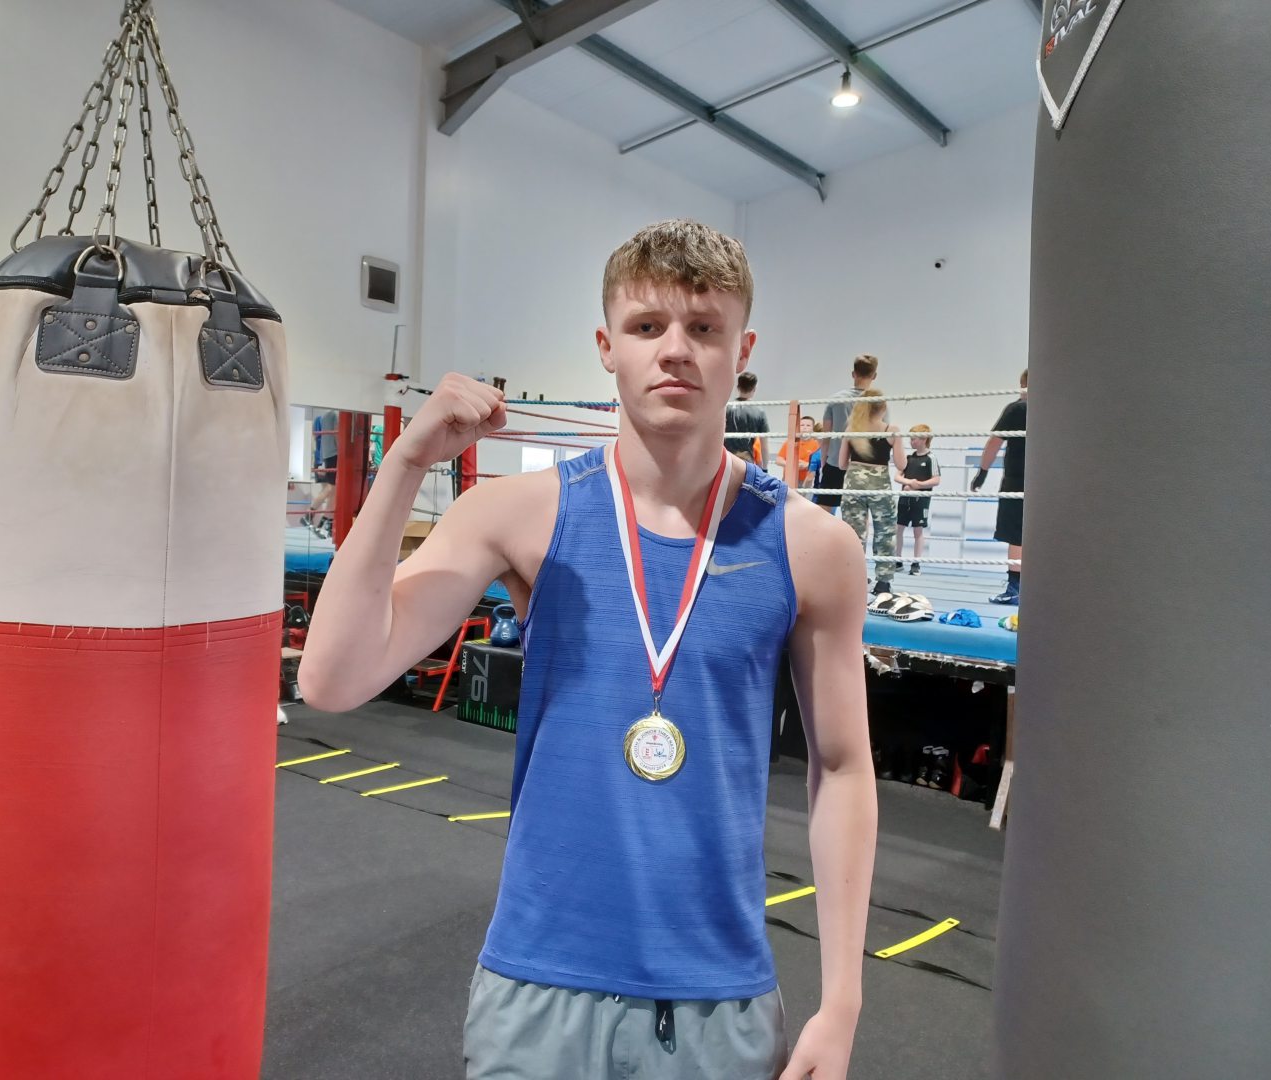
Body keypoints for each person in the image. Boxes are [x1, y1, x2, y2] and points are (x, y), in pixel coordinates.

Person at [299, 219, 876, 1080]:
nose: (675, 350)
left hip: (718, 999)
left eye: (704, 328)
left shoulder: (811, 547)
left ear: (741, 349)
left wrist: (843, 1002)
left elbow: (843, 767)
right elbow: (333, 680)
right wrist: (406, 465)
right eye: (648, 328)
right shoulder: (520, 514)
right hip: (538, 982)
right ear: (607, 346)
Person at [838, 389, 906, 595]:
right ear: (883, 408)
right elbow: (902, 463)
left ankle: (854, 579)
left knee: (853, 534)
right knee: (885, 531)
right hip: (879, 484)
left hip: (853, 484)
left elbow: (841, 464)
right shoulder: (891, 430)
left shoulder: (852, 429)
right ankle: (883, 581)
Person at [972, 369, 1027, 604]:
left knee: (1017, 535)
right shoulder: (1058, 407)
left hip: (1017, 480)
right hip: (1049, 481)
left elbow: (994, 443)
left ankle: (1015, 589)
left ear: (1023, 384)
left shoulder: (1017, 408)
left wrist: (982, 472)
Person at [816, 354, 880, 516]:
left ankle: (822, 542)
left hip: (835, 462)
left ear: (853, 374)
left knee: (824, 513)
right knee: (859, 515)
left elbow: (826, 435)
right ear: (874, 375)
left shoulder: (836, 400)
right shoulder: (878, 402)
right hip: (863, 465)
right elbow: (882, 437)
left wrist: (824, 462)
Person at [895, 424, 940, 575]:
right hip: (905, 499)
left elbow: (936, 480)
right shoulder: (908, 458)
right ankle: (898, 560)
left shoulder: (931, 458)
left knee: (918, 531)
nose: (911, 442)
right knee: (898, 528)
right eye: (911, 439)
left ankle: (916, 563)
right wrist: (909, 483)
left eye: (914, 439)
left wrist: (918, 485)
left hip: (920, 500)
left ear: (924, 439)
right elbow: (897, 476)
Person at [307, 408, 339, 539]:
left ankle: (326, 523)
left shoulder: (323, 417)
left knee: (332, 492)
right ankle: (315, 517)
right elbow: (317, 439)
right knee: (330, 490)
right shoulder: (332, 415)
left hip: (324, 457)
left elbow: (316, 439)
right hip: (326, 457)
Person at [724, 370, 769, 464]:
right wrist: (765, 469)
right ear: (754, 389)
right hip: (747, 461)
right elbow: (764, 445)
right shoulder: (759, 411)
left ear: (737, 387)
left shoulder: (725, 408)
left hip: (726, 460)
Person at [775, 415, 821, 488]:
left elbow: (820, 464)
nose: (805, 427)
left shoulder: (817, 444)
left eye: (808, 425)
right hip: (788, 479)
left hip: (806, 481)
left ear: (813, 429)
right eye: (802, 425)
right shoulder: (789, 443)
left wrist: (807, 465)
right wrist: (792, 465)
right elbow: (778, 460)